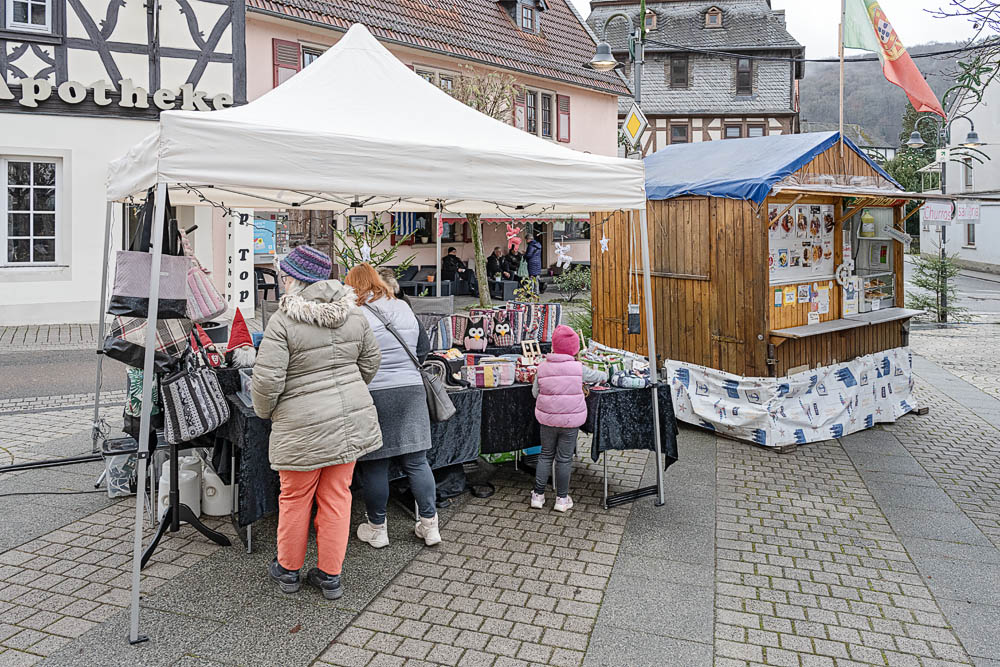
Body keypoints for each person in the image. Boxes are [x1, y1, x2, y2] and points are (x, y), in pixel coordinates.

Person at [252, 245, 383, 600]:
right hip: (348, 423)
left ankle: (288, 570)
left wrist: (265, 411)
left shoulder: (284, 320)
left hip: (301, 424)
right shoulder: (354, 314)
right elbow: (371, 362)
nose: (282, 280)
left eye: (285, 275)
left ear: (297, 279)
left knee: (295, 497)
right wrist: (349, 390)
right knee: (338, 497)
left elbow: (267, 381)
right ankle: (330, 576)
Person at [344, 263, 442, 549]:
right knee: (417, 461)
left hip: (374, 392)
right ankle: (430, 526)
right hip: (411, 389)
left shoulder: (355, 313)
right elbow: (423, 350)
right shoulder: (403, 307)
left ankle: (377, 530)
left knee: (375, 463)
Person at [530, 325, 606, 512]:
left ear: (554, 346)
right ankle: (561, 500)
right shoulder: (578, 368)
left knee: (545, 455)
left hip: (547, 420)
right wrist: (606, 374)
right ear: (574, 348)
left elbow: (535, 393)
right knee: (564, 459)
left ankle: (538, 496)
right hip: (570, 422)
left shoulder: (542, 367)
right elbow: (600, 376)